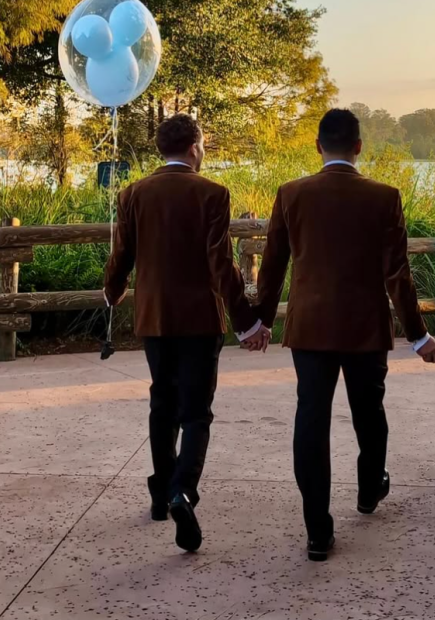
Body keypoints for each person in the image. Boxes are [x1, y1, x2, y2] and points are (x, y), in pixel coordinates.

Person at [254, 108, 435, 562]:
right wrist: (419, 336)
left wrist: (259, 321)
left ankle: (317, 532)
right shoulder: (384, 196)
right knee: (369, 411)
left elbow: (273, 267)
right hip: (365, 326)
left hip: (310, 325)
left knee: (311, 419)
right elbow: (397, 273)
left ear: (318, 146)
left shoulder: (290, 194)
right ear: (359, 146)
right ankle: (368, 488)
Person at [104, 114, 270, 554]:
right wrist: (246, 321)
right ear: (195, 146)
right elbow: (221, 264)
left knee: (163, 403)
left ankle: (161, 496)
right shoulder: (212, 194)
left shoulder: (133, 193)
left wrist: (112, 290)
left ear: (163, 148)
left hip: (154, 317)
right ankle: (182, 491)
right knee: (196, 412)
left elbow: (122, 253)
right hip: (199, 319)